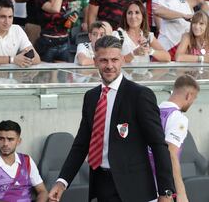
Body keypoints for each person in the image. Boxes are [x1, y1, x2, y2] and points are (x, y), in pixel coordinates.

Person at [48, 35, 175, 202]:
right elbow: (81, 144)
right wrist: (62, 182)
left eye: (114, 60)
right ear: (95, 61)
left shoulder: (140, 95)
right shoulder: (91, 97)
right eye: (104, 60)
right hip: (102, 186)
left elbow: (158, 145)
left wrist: (165, 192)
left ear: (122, 60)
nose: (109, 66)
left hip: (135, 190)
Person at [149, 74, 199, 202]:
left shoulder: (153, 111)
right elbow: (171, 154)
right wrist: (181, 192)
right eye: (194, 98)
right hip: (159, 185)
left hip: (142, 182)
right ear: (188, 96)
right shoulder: (178, 118)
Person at [0, 120, 48, 202]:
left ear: (18, 141)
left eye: (10, 139)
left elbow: (42, 191)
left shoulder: (27, 160)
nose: (5, 144)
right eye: (1, 139)